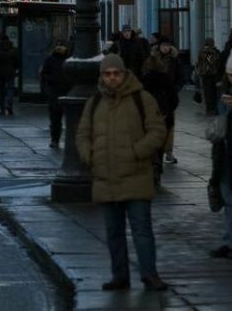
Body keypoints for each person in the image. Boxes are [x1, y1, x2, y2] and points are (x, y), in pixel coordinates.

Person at [76, 53, 168, 292]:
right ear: (102, 76)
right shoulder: (95, 102)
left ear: (124, 74)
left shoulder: (142, 98)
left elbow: (157, 131)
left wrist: (137, 152)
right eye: (107, 74)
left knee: (142, 231)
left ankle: (150, 274)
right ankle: (120, 276)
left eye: (116, 73)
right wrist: (91, 156)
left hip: (136, 176)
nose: (112, 78)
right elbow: (82, 134)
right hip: (106, 177)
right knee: (113, 232)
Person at [208, 52, 232, 260]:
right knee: (228, 197)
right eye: (230, 75)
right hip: (226, 151)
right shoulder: (226, 91)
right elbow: (220, 116)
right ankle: (230, 241)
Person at [141, 42, 180, 169]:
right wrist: (169, 108)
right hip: (165, 110)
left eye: (167, 45)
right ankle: (161, 159)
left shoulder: (146, 79)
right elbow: (174, 99)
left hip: (154, 112)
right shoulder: (164, 78)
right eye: (163, 45)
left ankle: (160, 158)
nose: (165, 47)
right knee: (166, 133)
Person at [40, 40, 71, 148]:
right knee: (55, 120)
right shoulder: (52, 60)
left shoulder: (68, 60)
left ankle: (58, 140)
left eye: (62, 46)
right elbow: (44, 74)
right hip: (56, 92)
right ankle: (55, 139)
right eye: (58, 46)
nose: (60, 48)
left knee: (62, 119)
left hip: (63, 92)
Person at [0, 34, 20, 116]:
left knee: (1, 90)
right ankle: (9, 103)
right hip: (10, 71)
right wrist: (16, 69)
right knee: (10, 89)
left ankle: (2, 108)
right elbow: (17, 61)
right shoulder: (13, 49)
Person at [197, 38, 223, 117]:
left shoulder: (203, 52)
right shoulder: (215, 52)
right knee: (212, 93)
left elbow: (199, 63)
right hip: (212, 75)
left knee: (209, 93)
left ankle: (210, 109)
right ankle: (212, 109)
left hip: (207, 75)